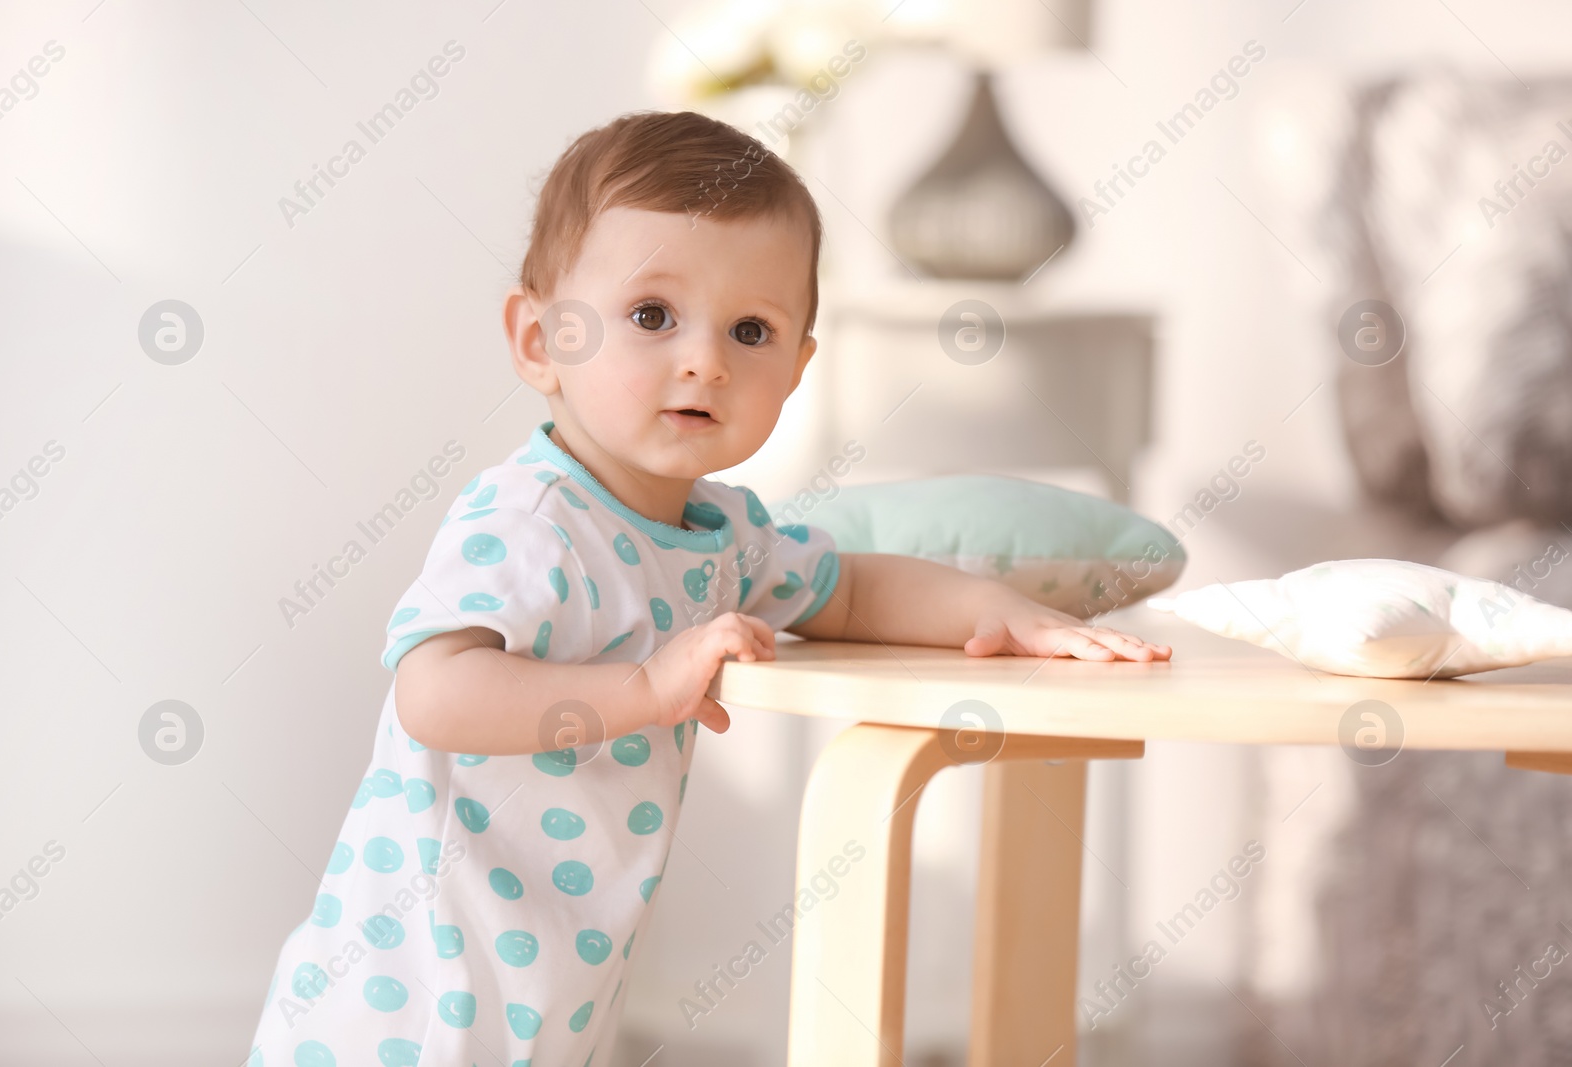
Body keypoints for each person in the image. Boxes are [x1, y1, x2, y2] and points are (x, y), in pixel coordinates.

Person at [246, 108, 1170, 1067]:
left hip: (545, 987)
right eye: (652, 316)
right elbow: (433, 693)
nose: (705, 359)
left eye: (752, 330)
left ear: (799, 367)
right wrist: (644, 690)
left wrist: (999, 611)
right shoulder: (530, 521)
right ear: (538, 339)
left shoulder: (723, 534)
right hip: (409, 997)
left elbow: (848, 591)